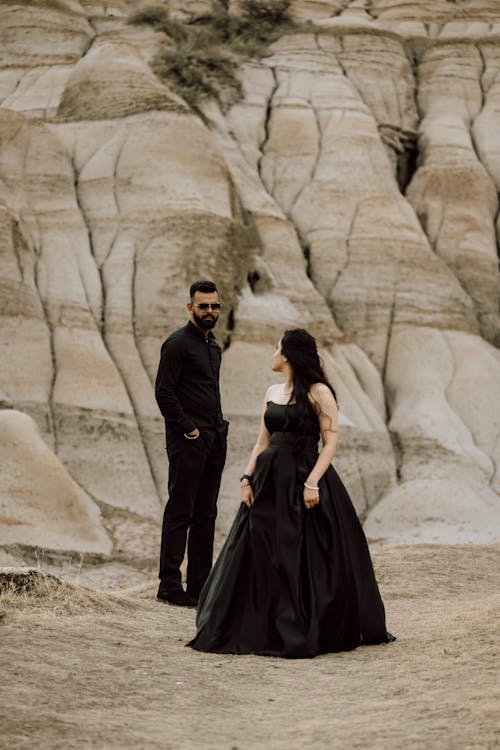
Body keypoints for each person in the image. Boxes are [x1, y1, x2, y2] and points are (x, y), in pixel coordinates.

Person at [188, 328, 394, 656]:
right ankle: (260, 626)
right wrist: (246, 478)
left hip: (304, 479)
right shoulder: (272, 391)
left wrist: (312, 483)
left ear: (288, 355)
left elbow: (331, 443)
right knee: (260, 551)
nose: (272, 353)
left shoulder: (319, 392)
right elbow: (262, 442)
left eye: (276, 347)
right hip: (268, 481)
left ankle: (302, 625)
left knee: (304, 554)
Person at [155, 280, 228, 608]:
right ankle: (169, 585)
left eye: (214, 306)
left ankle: (199, 586)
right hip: (188, 441)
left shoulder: (214, 347)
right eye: (203, 306)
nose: (210, 311)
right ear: (190, 308)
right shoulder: (177, 344)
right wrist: (189, 430)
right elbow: (164, 392)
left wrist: (217, 429)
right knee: (180, 510)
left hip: (214, 440)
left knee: (206, 513)